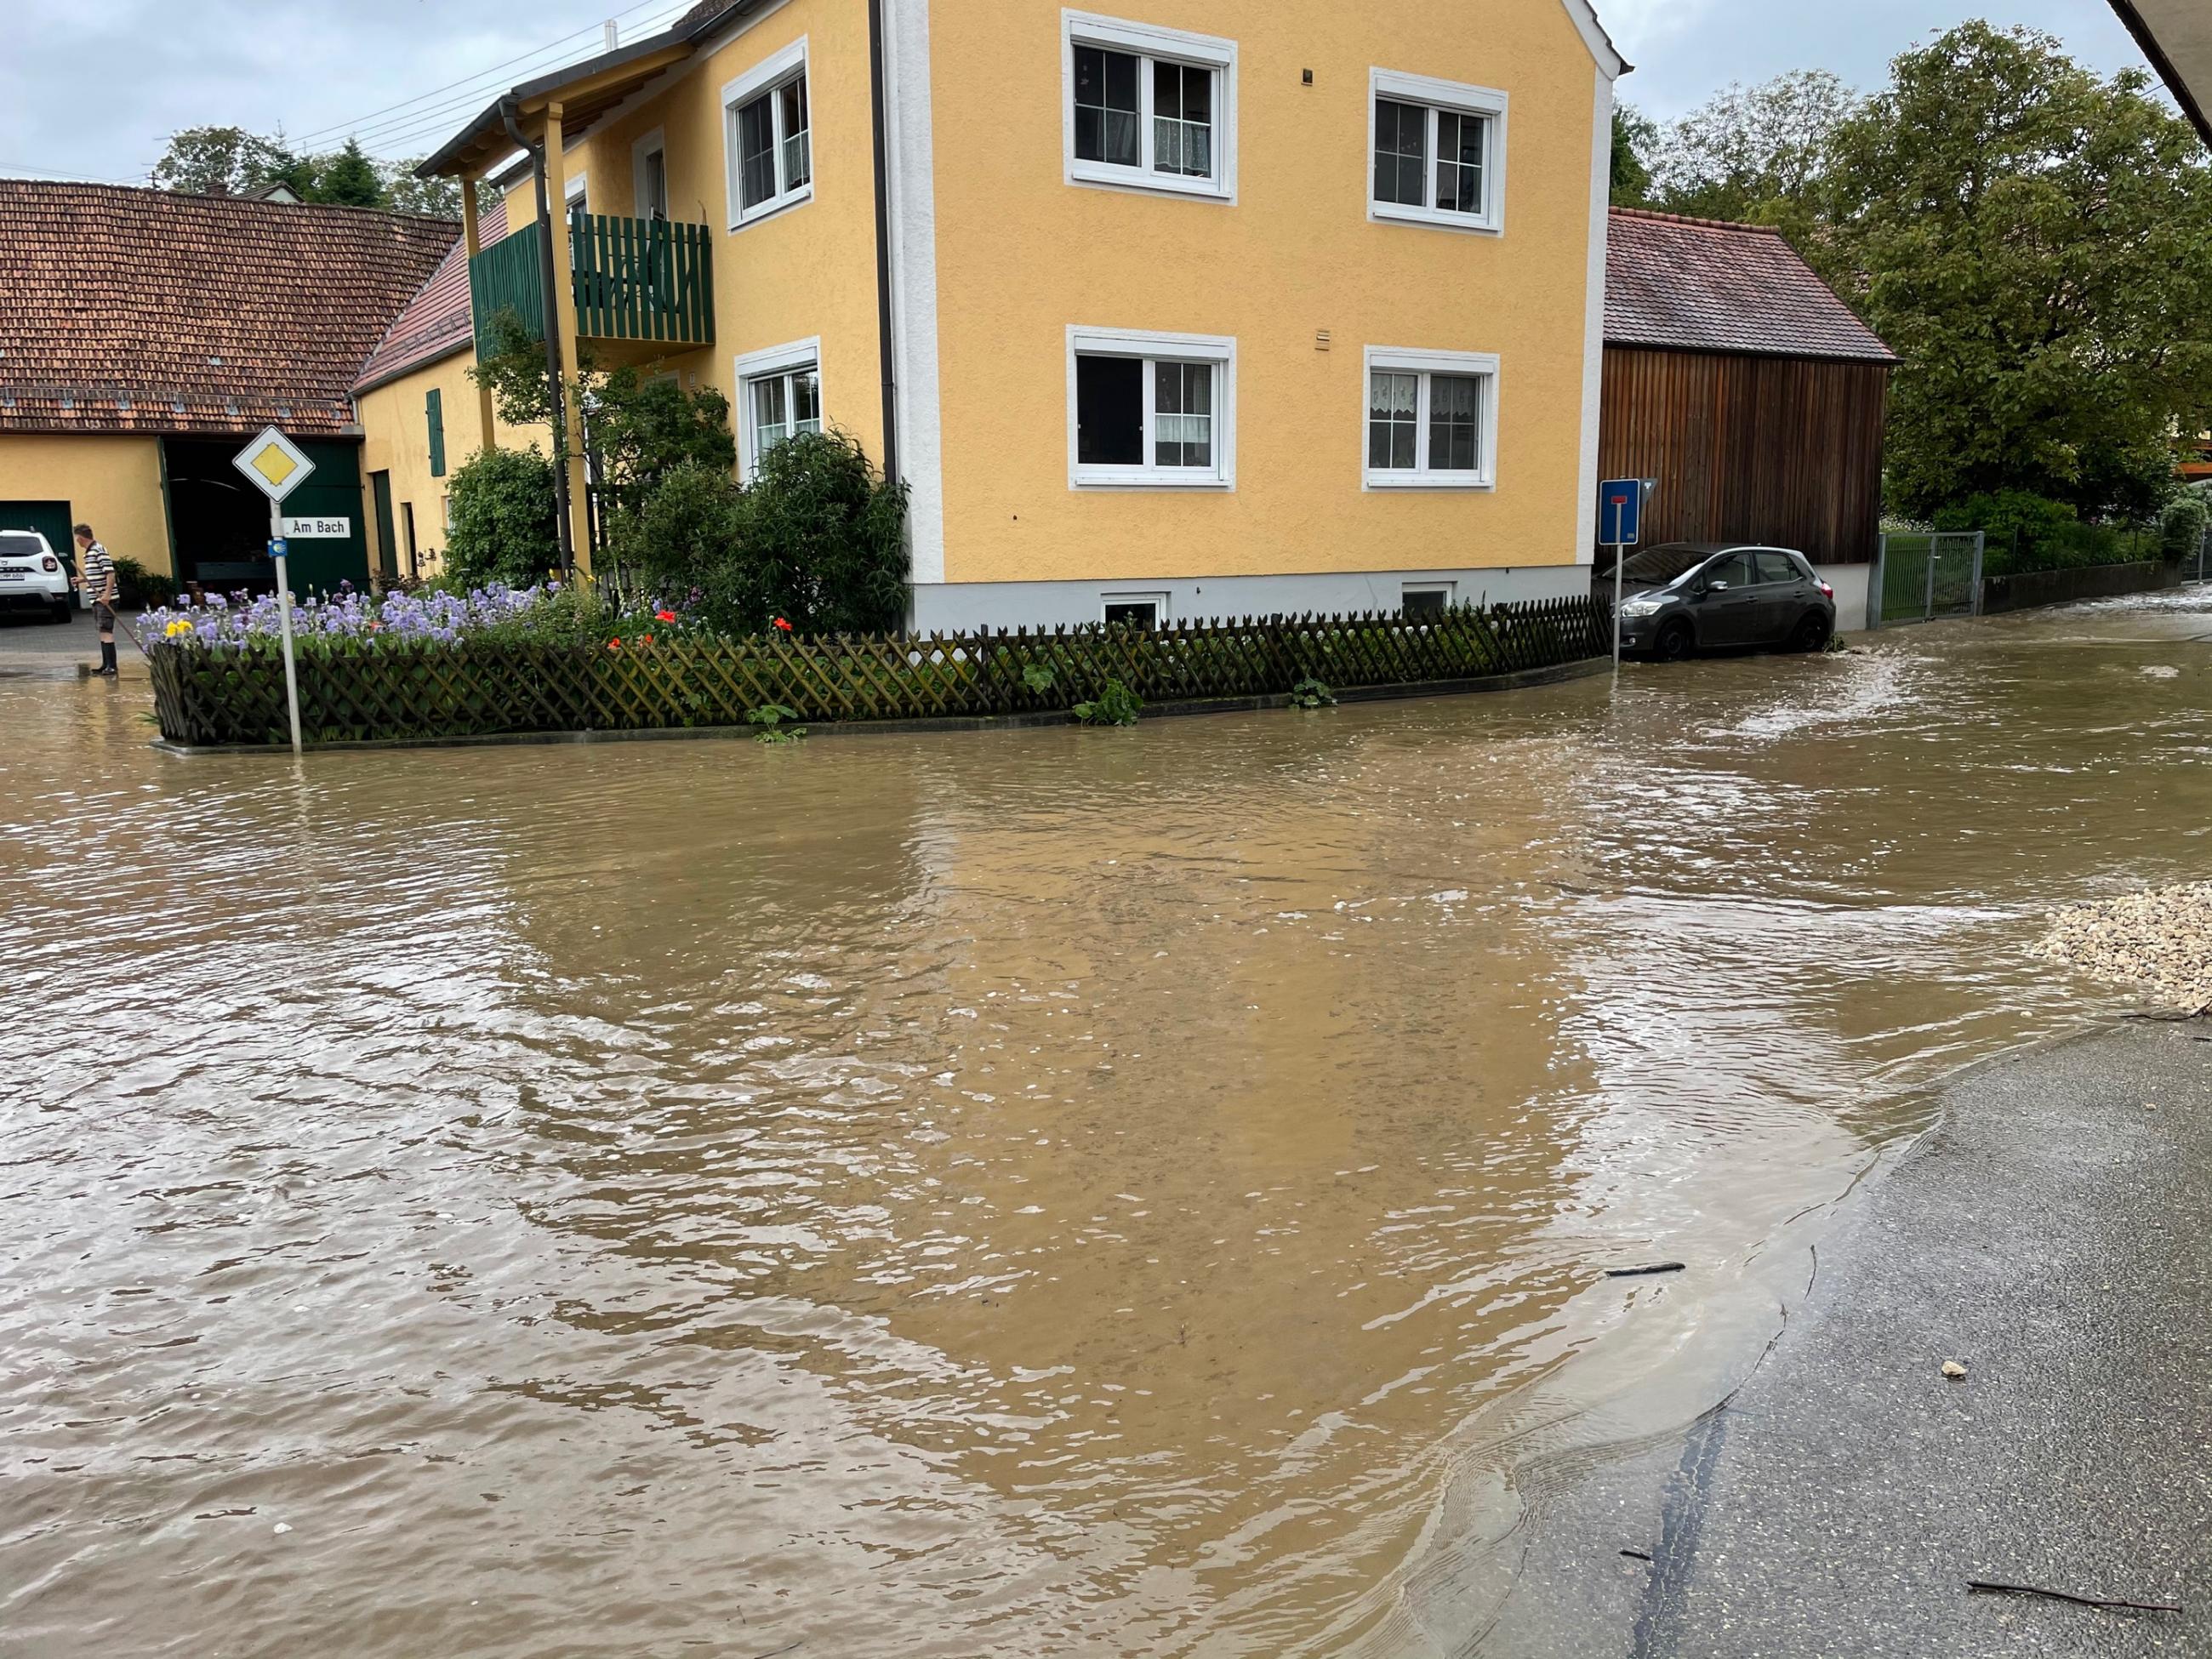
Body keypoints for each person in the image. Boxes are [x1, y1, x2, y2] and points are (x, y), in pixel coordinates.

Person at [77, 525, 117, 677]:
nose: (77, 542)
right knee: (102, 630)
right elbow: (98, 575)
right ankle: (105, 664)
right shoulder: (89, 553)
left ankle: (111, 666)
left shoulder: (98, 550)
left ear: (80, 538)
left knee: (106, 631)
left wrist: (107, 595)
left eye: (77, 539)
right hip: (96, 598)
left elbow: (110, 574)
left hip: (105, 599)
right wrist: (82, 580)